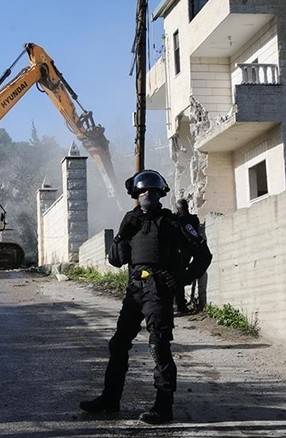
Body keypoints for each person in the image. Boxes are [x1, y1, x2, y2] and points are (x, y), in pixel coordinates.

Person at [80, 170, 212, 424]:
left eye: (152, 190)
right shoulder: (131, 221)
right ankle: (110, 399)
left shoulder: (173, 223)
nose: (147, 194)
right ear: (135, 194)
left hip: (158, 290)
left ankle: (163, 407)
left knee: (158, 345)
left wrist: (182, 279)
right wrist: (122, 234)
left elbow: (203, 255)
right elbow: (116, 260)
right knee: (118, 344)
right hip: (134, 290)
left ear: (160, 194)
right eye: (142, 190)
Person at [176, 198, 206, 312]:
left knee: (179, 278)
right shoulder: (191, 218)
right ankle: (181, 304)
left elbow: (191, 231)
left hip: (185, 251)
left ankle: (181, 305)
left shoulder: (182, 220)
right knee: (180, 277)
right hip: (187, 251)